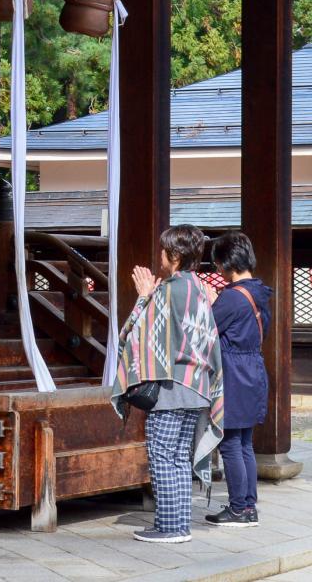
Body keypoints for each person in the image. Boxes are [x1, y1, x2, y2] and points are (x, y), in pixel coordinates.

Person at [111, 224, 223, 544]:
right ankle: (178, 524)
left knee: (162, 455)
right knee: (178, 458)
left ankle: (170, 527)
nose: (159, 255)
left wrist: (144, 297)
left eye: (163, 250)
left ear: (174, 254)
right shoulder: (202, 290)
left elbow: (134, 335)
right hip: (198, 385)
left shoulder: (167, 291)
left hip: (171, 388)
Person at [204, 231, 271, 528]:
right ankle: (248, 506)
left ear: (227, 263)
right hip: (253, 368)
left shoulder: (231, 297)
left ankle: (238, 509)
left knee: (230, 444)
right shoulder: (259, 292)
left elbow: (206, 330)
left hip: (233, 373)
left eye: (218, 264)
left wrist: (210, 302)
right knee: (244, 443)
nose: (218, 270)